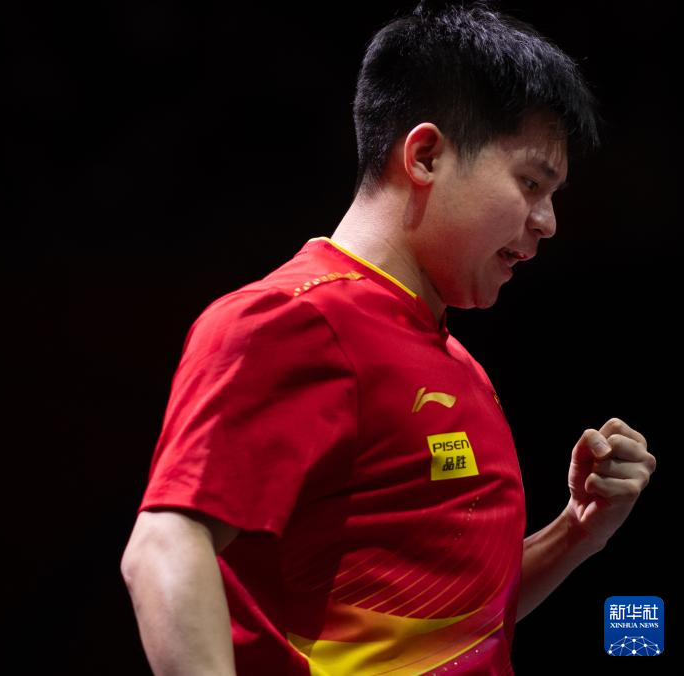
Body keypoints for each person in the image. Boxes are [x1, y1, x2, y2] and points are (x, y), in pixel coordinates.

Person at [120, 2, 656, 674]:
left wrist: (575, 532)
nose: (547, 222)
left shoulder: (457, 364)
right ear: (425, 156)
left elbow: (454, 618)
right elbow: (165, 546)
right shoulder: (292, 320)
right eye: (529, 183)